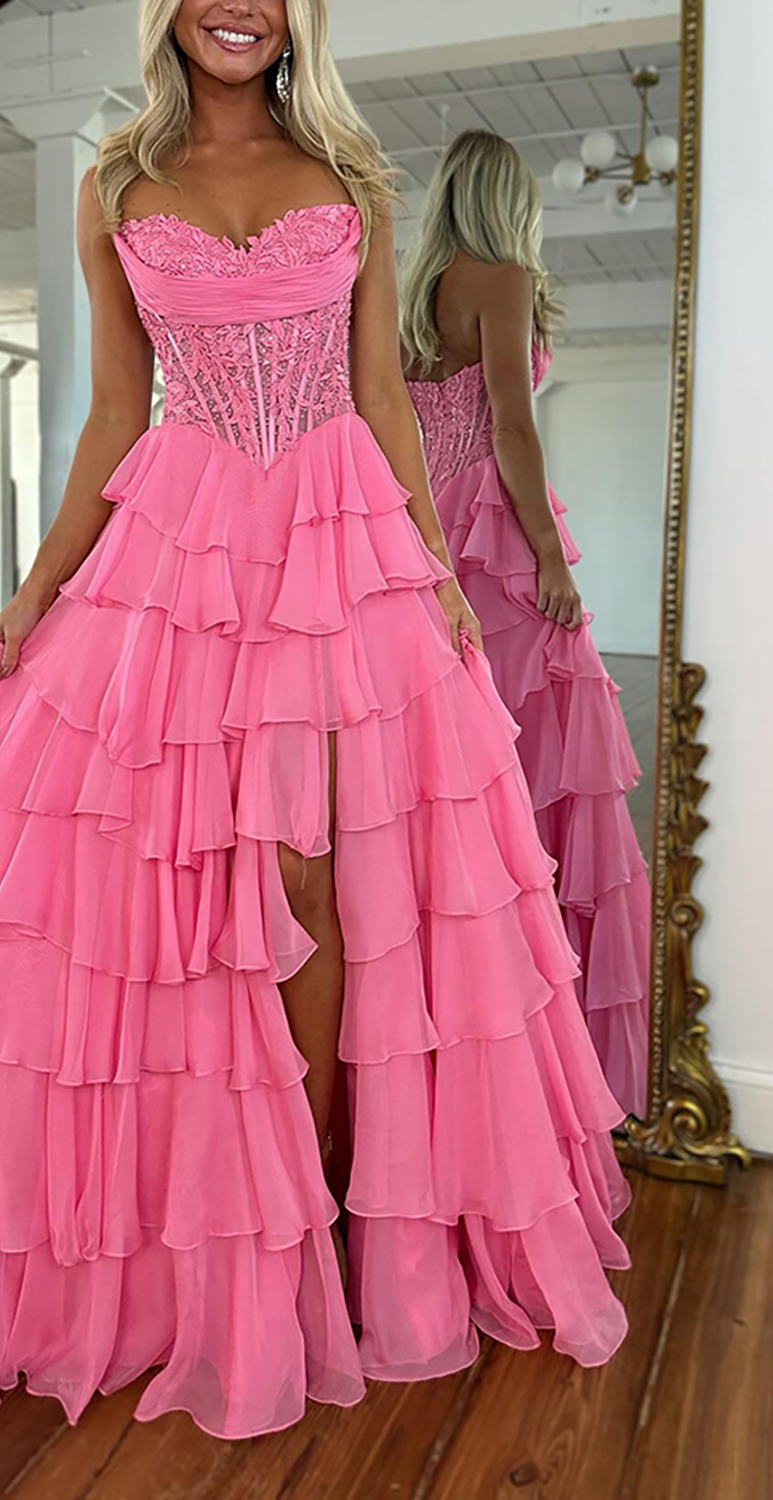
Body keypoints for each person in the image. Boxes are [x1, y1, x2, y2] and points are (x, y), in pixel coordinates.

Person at [0, 4, 630, 1440]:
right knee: (183, 894)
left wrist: (436, 576)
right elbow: (113, 411)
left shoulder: (354, 177)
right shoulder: (115, 183)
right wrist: (34, 591)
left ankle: (320, 1197)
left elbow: (383, 398)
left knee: (324, 887)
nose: (240, 5)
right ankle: (213, 1210)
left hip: (335, 547)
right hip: (181, 544)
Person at [403, 130, 650, 1119]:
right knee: (541, 769)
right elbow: (511, 424)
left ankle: (469, 1025)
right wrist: (548, 552)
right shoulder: (500, 277)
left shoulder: (413, 297)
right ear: (509, 201)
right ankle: (541, 1034)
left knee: (456, 783)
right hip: (496, 544)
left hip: (426, 539)